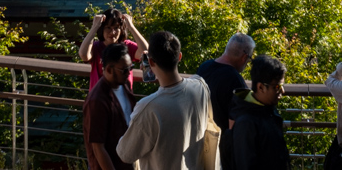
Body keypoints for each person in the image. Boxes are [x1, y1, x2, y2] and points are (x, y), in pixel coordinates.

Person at [116, 30, 210, 170]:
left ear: (151, 61)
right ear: (179, 56)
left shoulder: (148, 108)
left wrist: (152, 70)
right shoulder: (200, 86)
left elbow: (125, 154)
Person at [196, 32, 254, 169]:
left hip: (198, 142)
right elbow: (238, 125)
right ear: (244, 57)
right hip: (220, 152)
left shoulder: (204, 67)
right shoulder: (236, 81)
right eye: (249, 59)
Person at [228, 54, 290, 170]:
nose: (283, 91)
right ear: (261, 87)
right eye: (277, 87)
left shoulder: (267, 109)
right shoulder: (246, 123)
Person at [84, 43, 135, 170]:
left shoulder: (125, 85)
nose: (128, 73)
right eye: (124, 70)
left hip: (126, 162)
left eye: (130, 68)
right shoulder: (97, 100)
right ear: (109, 70)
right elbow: (98, 147)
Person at [79, 10, 149, 91]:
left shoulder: (127, 46)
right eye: (108, 27)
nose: (112, 32)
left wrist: (131, 26)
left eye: (116, 28)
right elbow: (83, 55)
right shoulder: (95, 47)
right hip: (100, 98)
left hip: (123, 97)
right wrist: (95, 26)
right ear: (102, 28)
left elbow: (145, 51)